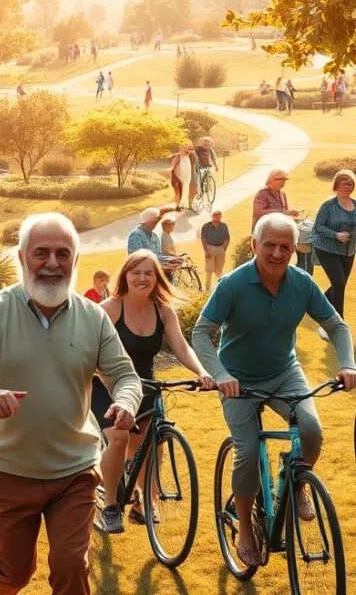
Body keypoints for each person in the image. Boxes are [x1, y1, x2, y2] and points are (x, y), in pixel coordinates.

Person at [0, 213, 142, 594]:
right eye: (40, 252)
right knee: (14, 573)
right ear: (21, 256)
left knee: (70, 565)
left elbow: (125, 376)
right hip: (10, 470)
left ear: (75, 261)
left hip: (74, 470)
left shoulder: (93, 317)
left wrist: (126, 400)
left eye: (63, 254)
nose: (51, 263)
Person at [192, 213, 356, 568]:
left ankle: (295, 482)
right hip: (237, 379)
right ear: (254, 245)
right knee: (248, 452)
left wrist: (347, 364)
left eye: (286, 246)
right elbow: (202, 332)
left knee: (311, 431)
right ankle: (248, 531)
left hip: (284, 372)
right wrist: (219, 373)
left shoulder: (302, 284)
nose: (278, 253)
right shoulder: (232, 285)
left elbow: (338, 327)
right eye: (270, 245)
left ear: (294, 250)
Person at [93, 252, 215, 533]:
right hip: (106, 385)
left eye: (149, 273)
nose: (142, 278)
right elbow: (90, 350)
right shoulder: (109, 309)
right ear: (125, 275)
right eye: (136, 272)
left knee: (151, 446)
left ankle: (143, 501)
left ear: (157, 278)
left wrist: (202, 372)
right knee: (120, 436)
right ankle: (111, 505)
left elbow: (181, 347)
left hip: (145, 385)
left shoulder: (163, 311)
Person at [310, 169, 356, 328]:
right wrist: (335, 235)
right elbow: (318, 227)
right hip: (326, 249)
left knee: (339, 283)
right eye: (344, 183)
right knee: (338, 282)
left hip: (348, 251)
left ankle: (319, 302)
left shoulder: (355, 204)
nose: (347, 186)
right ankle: (338, 323)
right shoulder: (329, 205)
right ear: (336, 185)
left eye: (350, 184)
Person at [201, 209, 231, 291]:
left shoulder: (224, 226)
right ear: (212, 216)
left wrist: (224, 247)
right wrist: (206, 250)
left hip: (220, 248)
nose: (217, 216)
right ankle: (207, 289)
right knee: (209, 271)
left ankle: (220, 287)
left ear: (221, 216)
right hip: (209, 247)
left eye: (218, 215)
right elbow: (203, 239)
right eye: (215, 215)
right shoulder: (206, 226)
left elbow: (227, 238)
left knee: (219, 270)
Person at [170, 143, 195, 211]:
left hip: (187, 177)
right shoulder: (178, 156)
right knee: (179, 191)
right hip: (179, 177)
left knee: (185, 190)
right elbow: (173, 165)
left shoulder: (189, 156)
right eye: (183, 148)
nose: (185, 149)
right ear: (180, 149)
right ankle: (177, 206)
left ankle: (182, 204)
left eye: (186, 148)